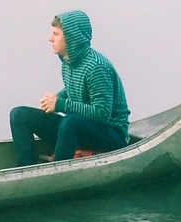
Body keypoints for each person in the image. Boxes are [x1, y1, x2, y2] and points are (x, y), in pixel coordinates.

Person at [9, 11, 131, 167]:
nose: (50, 38)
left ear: (71, 37)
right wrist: (54, 100)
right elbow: (73, 88)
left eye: (56, 34)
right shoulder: (68, 62)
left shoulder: (97, 67)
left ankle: (56, 173)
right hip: (81, 128)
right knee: (19, 115)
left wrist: (60, 104)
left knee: (70, 121)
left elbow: (102, 114)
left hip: (111, 135)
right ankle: (26, 169)